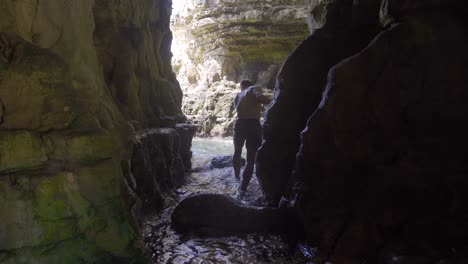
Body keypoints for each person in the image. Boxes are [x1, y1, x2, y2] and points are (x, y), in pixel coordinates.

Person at [233, 79, 271, 196]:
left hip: (239, 124)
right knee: (250, 159)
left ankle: (237, 178)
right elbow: (260, 98)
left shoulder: (238, 95)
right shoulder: (254, 88)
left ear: (241, 86)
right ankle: (243, 189)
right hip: (253, 125)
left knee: (237, 152)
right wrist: (273, 100)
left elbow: (238, 108)